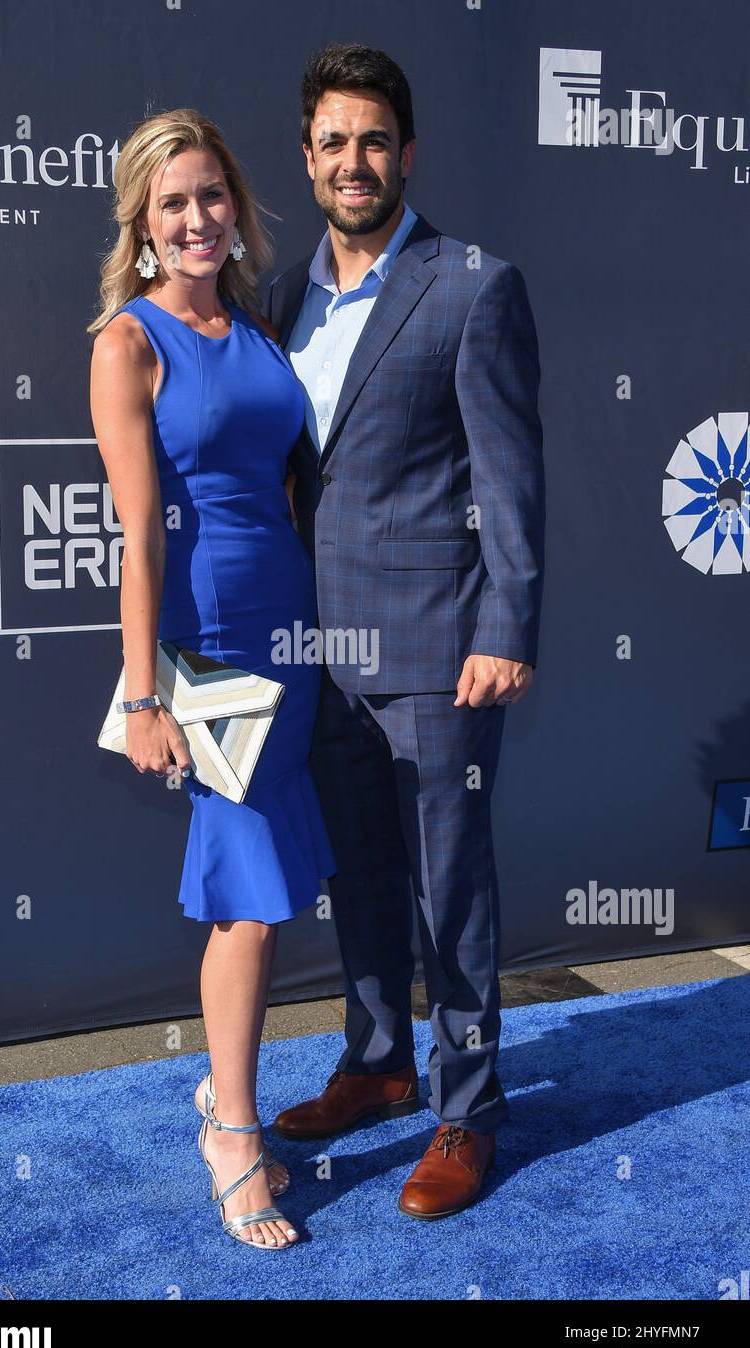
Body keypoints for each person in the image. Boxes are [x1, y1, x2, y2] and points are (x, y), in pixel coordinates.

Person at [268, 43, 546, 1219]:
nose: (353, 160)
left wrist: (507, 624)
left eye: (373, 139)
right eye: (332, 140)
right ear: (307, 156)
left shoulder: (473, 284)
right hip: (323, 653)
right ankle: (380, 1063)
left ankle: (466, 1111)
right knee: (363, 880)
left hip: (439, 648)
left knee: (452, 892)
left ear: (406, 153)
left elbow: (512, 475)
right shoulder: (286, 295)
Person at [88, 108, 337, 1250]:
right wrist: (143, 695)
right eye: (173, 202)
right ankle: (232, 1130)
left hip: (290, 627)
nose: (197, 218)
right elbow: (137, 536)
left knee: (269, 882)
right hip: (206, 642)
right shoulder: (128, 344)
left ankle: (223, 1094)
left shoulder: (260, 327)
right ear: (142, 223)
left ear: (236, 206)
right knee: (245, 897)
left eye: (212, 196)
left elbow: (286, 484)